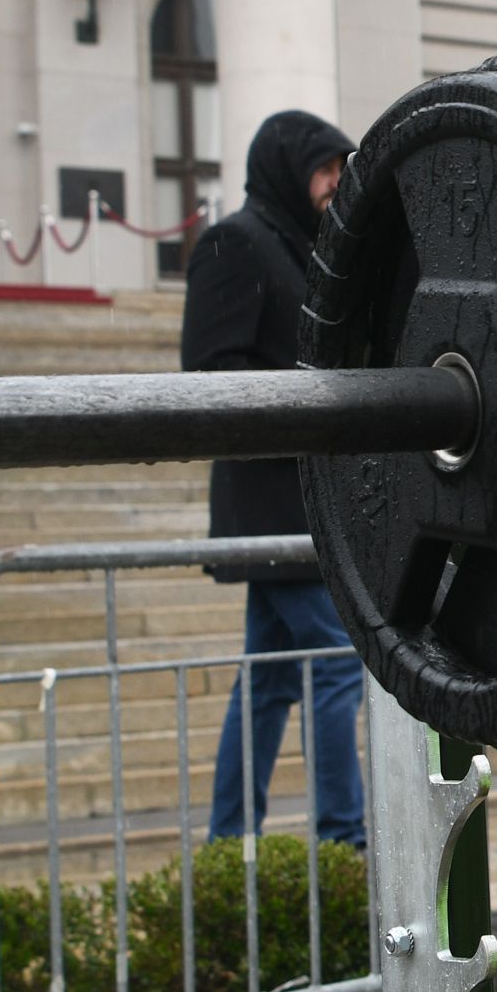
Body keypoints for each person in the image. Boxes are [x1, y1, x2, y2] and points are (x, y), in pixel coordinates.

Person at [184, 110, 364, 850]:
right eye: (323, 169)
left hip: (308, 501)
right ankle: (343, 841)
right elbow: (210, 372)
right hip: (274, 504)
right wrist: (308, 391)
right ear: (290, 170)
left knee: (270, 681)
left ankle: (230, 840)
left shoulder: (307, 247)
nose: (333, 184)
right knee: (335, 665)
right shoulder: (237, 242)